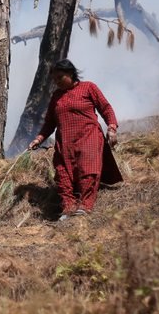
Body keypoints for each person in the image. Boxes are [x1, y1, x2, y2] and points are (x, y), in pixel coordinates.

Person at [28, 59, 122, 219]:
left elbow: (105, 108)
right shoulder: (56, 96)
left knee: (87, 169)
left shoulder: (88, 88)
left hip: (89, 136)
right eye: (54, 79)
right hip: (65, 142)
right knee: (62, 173)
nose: (57, 82)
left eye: (60, 77)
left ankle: (85, 206)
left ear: (70, 73)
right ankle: (68, 208)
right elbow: (50, 122)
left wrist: (112, 128)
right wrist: (39, 138)